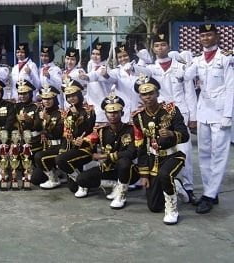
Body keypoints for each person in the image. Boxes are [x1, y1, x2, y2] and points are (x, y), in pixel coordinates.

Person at [134, 33, 198, 204]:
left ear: (168, 47)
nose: (160, 48)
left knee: (185, 152)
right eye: (157, 46)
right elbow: (140, 84)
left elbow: (190, 92)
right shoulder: (151, 70)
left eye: (163, 44)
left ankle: (189, 188)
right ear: (153, 49)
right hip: (159, 115)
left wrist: (193, 117)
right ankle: (169, 183)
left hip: (180, 112)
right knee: (159, 150)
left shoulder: (181, 67)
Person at [184, 23, 234, 214]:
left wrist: (228, 115)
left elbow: (231, 88)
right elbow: (186, 77)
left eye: (209, 35)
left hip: (221, 113)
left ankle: (209, 195)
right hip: (204, 111)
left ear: (216, 36)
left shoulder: (225, 59)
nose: (206, 38)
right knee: (204, 155)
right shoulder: (198, 60)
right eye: (203, 35)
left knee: (219, 155)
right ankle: (210, 192)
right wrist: (185, 62)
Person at [133, 76, 189, 225]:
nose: (148, 97)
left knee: (165, 174)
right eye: (144, 94)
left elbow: (185, 135)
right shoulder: (138, 118)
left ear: (157, 93)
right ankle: (176, 185)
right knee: (154, 206)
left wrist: (172, 134)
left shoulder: (171, 110)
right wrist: (143, 174)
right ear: (140, 96)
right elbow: (141, 147)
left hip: (173, 155)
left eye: (151, 93)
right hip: (153, 160)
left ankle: (172, 209)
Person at [75, 94, 139, 209]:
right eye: (110, 112)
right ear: (105, 114)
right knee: (81, 179)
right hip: (108, 169)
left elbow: (132, 152)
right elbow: (89, 141)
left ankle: (121, 195)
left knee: (124, 161)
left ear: (122, 113)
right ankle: (114, 185)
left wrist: (104, 156)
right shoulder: (100, 131)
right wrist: (82, 142)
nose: (113, 115)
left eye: (116, 112)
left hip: (128, 171)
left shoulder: (130, 129)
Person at [55, 79, 96, 194]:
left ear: (79, 95)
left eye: (73, 95)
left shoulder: (88, 110)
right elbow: (65, 132)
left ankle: (82, 183)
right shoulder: (66, 112)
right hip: (70, 147)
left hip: (84, 147)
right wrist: (63, 148)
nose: (71, 99)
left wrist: (76, 116)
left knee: (61, 160)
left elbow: (90, 130)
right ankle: (79, 180)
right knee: (73, 188)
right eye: (68, 96)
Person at [31, 85, 64, 188]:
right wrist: (38, 118)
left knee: (39, 156)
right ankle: (55, 172)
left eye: (49, 99)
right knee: (35, 179)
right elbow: (36, 128)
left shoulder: (61, 114)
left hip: (59, 146)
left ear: (54, 99)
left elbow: (58, 133)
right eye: (44, 99)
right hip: (47, 146)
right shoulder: (41, 111)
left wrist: (48, 120)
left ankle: (54, 179)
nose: (46, 101)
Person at [79, 42, 111, 124]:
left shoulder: (105, 69)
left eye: (98, 54)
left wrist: (86, 77)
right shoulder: (91, 66)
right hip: (91, 106)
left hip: (102, 108)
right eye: (93, 53)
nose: (94, 56)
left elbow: (95, 75)